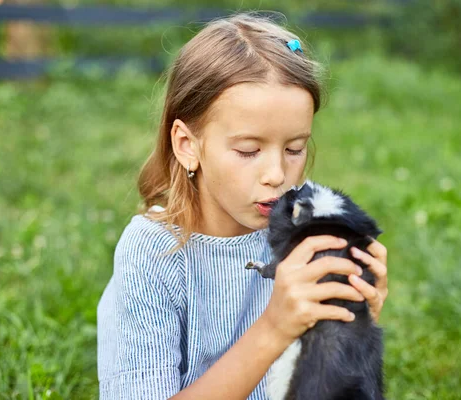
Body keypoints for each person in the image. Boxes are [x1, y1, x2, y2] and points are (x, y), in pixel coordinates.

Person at [97, 12, 389, 399]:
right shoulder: (153, 254)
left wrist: (351, 318)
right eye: (248, 150)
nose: (277, 174)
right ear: (187, 145)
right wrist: (274, 328)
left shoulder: (306, 234)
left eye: (294, 149)